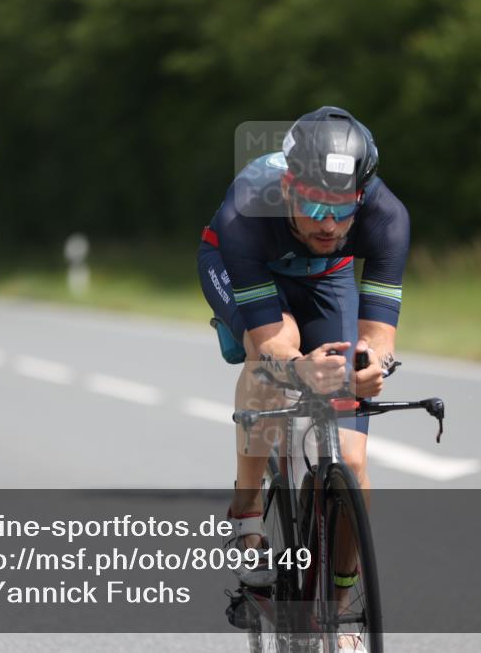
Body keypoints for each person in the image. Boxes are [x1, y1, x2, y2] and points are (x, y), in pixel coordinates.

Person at [197, 106, 409, 649]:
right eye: (314, 204)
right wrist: (300, 368)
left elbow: (378, 338)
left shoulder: (386, 216)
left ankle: (336, 608)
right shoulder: (248, 210)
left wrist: (368, 369)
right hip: (241, 264)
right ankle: (246, 510)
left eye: (343, 210)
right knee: (270, 360)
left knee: (355, 460)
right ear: (288, 185)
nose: (328, 224)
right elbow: (270, 345)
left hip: (326, 278)